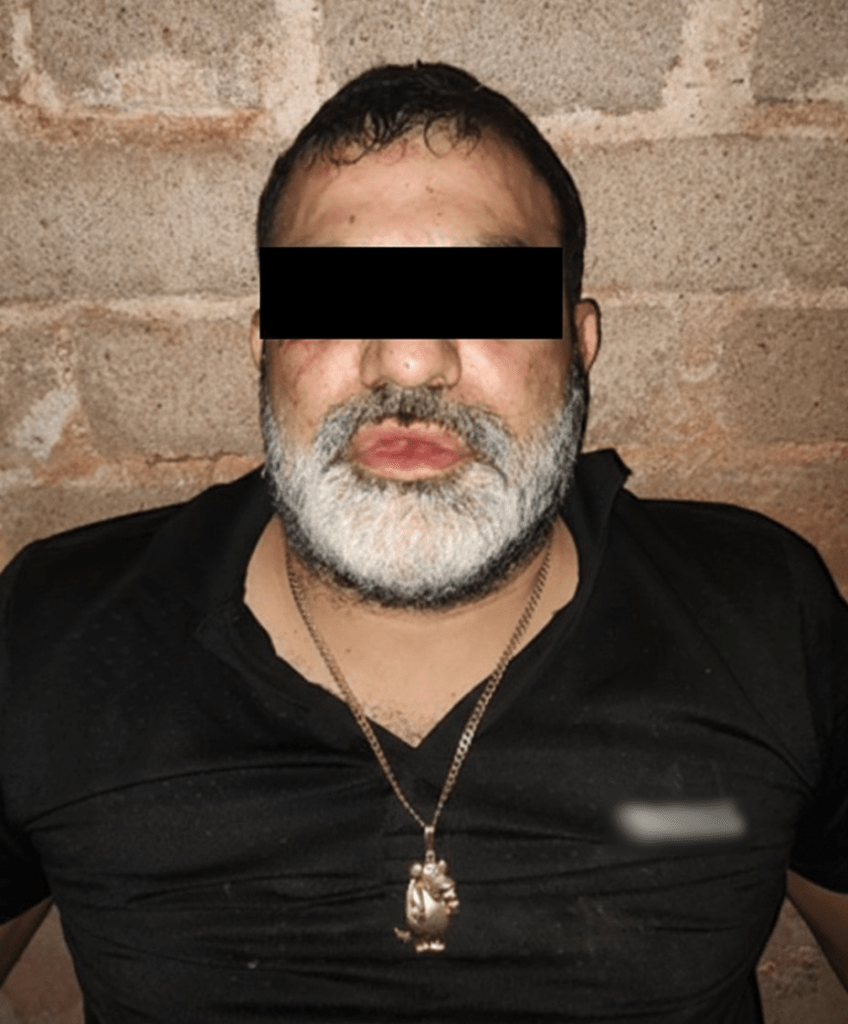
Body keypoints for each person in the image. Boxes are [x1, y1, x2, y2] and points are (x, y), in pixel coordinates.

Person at [1, 61, 846, 1023]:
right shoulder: (53, 638)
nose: (407, 360)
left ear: (579, 346)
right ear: (265, 343)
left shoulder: (762, 621)